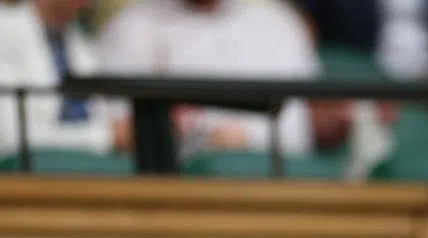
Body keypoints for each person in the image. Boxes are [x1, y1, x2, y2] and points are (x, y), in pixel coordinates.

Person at [95, 0, 319, 156]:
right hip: (182, 191)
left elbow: (309, 123)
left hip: (284, 187)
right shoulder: (132, 27)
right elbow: (117, 131)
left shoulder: (280, 23)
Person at [0, 0, 121, 158]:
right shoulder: (5, 31)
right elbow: (12, 141)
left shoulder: (81, 42)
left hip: (89, 169)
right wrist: (106, 136)